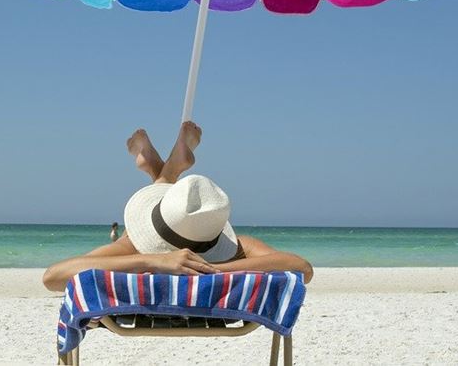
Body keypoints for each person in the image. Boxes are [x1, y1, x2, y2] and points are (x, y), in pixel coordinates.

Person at [43, 122, 313, 292]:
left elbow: (53, 276)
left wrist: (154, 261)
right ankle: (166, 169)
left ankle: (166, 172)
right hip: (214, 262)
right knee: (175, 204)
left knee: (139, 226)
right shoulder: (239, 249)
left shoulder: (133, 246)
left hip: (145, 256)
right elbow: (302, 267)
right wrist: (214, 269)